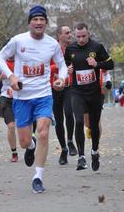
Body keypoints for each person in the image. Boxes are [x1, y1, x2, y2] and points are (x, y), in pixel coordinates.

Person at [0, 5, 67, 193]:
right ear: (29, 23)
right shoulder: (18, 41)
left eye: (42, 20)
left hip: (44, 96)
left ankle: (38, 177)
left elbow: (63, 66)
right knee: (25, 142)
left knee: (44, 132)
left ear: (45, 23)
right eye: (35, 20)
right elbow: (0, 58)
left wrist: (61, 78)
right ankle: (31, 146)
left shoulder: (52, 44)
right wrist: (11, 76)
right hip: (22, 98)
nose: (38, 23)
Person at [64, 22, 114, 171]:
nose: (80, 39)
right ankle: (81, 157)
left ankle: (95, 151)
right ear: (75, 35)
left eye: (83, 36)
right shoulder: (70, 49)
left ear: (88, 34)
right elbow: (64, 64)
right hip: (77, 92)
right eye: (78, 36)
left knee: (93, 124)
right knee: (78, 120)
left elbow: (110, 64)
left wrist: (97, 64)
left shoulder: (97, 47)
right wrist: (68, 68)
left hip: (94, 93)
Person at [50, 25, 77, 165]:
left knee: (69, 112)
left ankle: (70, 141)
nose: (70, 35)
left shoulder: (73, 48)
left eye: (70, 32)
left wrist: (74, 67)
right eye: (67, 33)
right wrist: (61, 67)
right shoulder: (51, 49)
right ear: (59, 35)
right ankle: (64, 149)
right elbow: (45, 66)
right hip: (54, 88)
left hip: (68, 86)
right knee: (59, 120)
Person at [0, 57, 19, 162]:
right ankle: (14, 152)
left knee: (25, 126)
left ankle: (31, 142)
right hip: (6, 98)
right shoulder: (0, 64)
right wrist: (0, 78)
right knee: (11, 126)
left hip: (22, 98)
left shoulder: (22, 59)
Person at [85, 69, 112, 139]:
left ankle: (95, 147)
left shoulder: (99, 59)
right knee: (87, 123)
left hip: (98, 92)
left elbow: (106, 72)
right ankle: (90, 128)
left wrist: (108, 81)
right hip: (84, 92)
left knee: (96, 120)